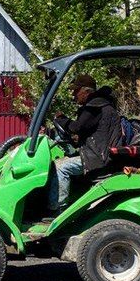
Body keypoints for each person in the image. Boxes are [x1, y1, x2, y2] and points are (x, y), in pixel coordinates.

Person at [47, 74, 121, 212]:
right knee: (61, 161)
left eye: (76, 91)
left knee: (60, 167)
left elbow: (77, 127)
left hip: (99, 158)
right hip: (99, 153)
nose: (73, 95)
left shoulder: (95, 106)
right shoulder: (101, 105)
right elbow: (85, 132)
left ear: (86, 91)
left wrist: (61, 119)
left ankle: (57, 209)